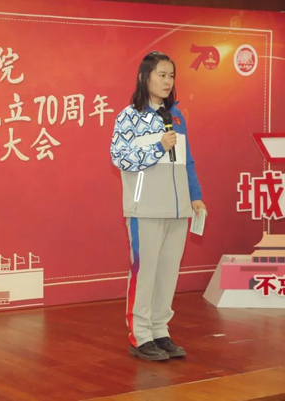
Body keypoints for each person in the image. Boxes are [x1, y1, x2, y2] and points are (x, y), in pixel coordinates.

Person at [110, 51, 207, 361]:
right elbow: (119, 158)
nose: (168, 81)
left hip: (178, 211)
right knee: (145, 273)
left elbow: (187, 161)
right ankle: (140, 335)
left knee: (167, 273)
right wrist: (157, 147)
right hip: (146, 210)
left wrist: (194, 195)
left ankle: (160, 330)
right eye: (161, 75)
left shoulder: (176, 117)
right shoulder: (129, 116)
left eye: (171, 75)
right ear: (145, 77)